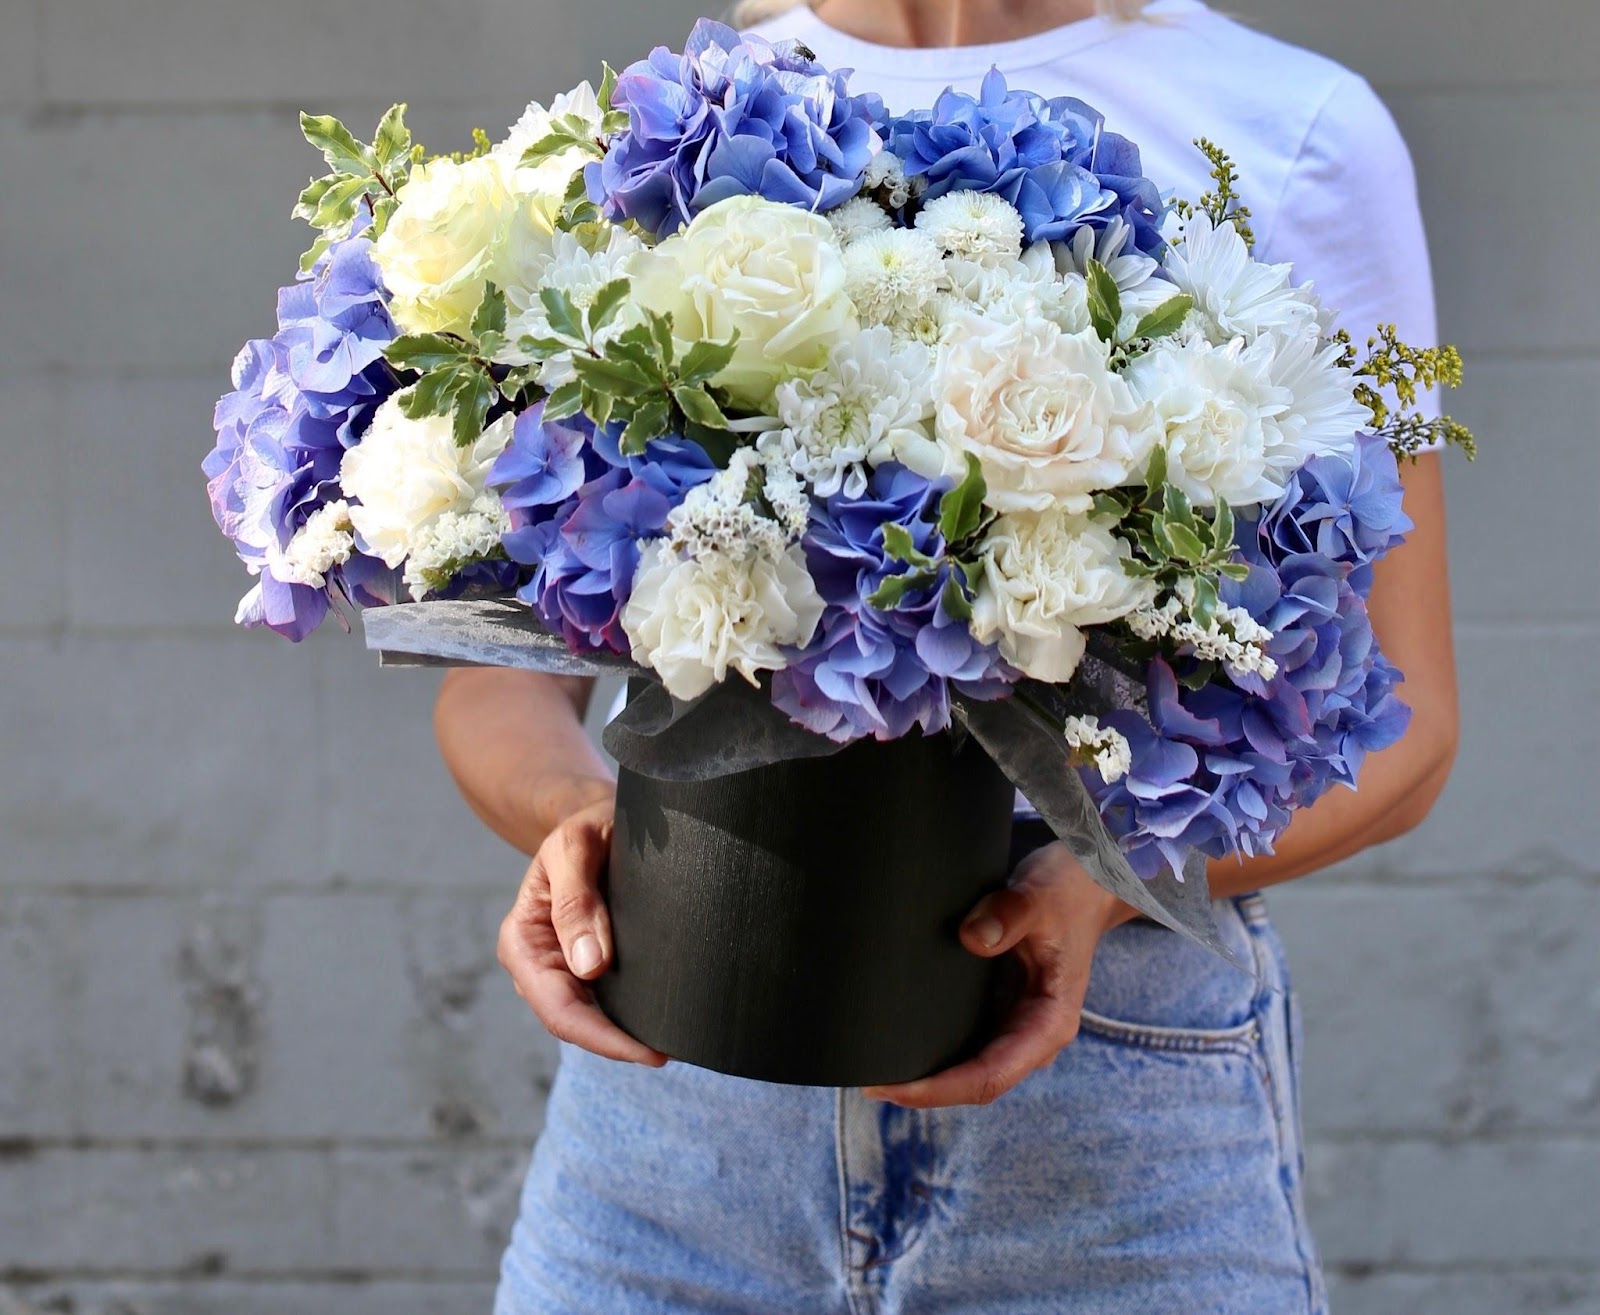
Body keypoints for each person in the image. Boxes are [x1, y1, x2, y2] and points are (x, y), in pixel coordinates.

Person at [435, 2, 1460, 1309]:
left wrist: (1098, 884)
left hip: (1117, 1132)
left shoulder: (1296, 131)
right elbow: (500, 678)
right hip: (676, 1109)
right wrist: (578, 828)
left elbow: (1409, 727)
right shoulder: (678, 128)